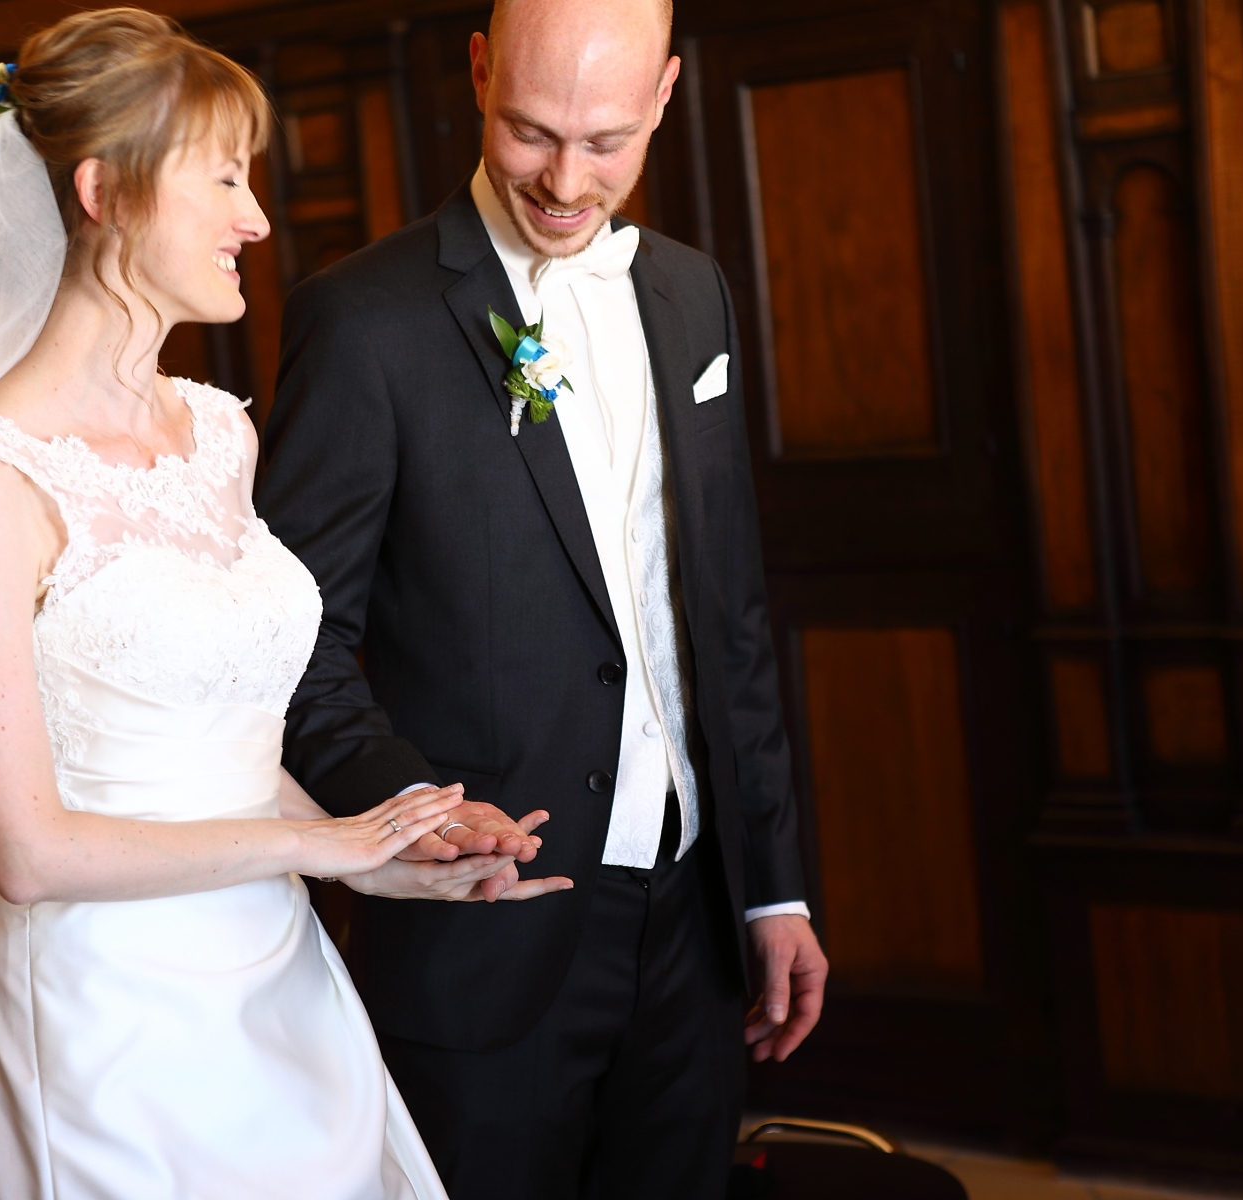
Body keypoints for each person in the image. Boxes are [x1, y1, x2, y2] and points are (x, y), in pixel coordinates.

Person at [0, 11, 564, 1200]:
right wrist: (320, 846)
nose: (257, 218)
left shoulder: (217, 431)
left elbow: (224, 745)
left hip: (284, 987)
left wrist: (377, 851)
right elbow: (24, 853)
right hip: (110, 1027)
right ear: (105, 191)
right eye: (224, 177)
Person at [257, 0, 831, 1195]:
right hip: (479, 928)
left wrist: (771, 886)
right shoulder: (362, 320)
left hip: (694, 924)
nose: (566, 183)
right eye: (531, 132)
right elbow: (287, 649)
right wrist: (411, 811)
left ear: (665, 94)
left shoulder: (694, 295)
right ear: (478, 73)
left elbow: (727, 618)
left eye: (607, 142)